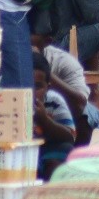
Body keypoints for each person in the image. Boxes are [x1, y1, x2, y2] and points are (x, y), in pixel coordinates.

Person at [31, 51, 78, 179]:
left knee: (63, 149)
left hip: (47, 149)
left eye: (38, 87)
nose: (32, 92)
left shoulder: (53, 101)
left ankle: (51, 193)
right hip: (22, 152)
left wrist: (45, 121)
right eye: (27, 85)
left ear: (48, 87)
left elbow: (69, 136)